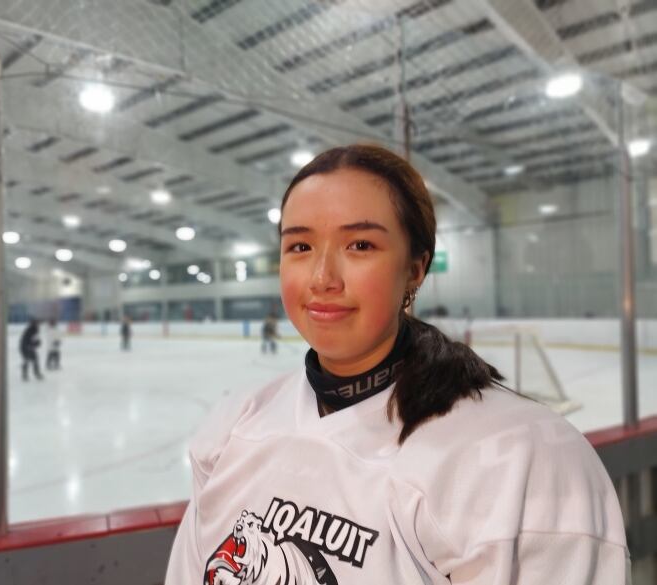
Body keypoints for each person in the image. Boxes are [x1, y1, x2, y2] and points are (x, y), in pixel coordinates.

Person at [165, 145, 629, 584]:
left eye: (360, 245)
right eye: (300, 247)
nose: (323, 278)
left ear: (415, 268)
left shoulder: (519, 457)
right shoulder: (235, 428)